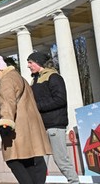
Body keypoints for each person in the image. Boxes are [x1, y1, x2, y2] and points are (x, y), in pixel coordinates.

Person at [0, 54, 52, 184]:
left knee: (13, 160)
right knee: (31, 161)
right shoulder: (18, 77)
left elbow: (7, 102)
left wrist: (5, 123)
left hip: (17, 129)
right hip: (29, 127)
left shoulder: (6, 81)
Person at [28, 51, 80, 184]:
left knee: (61, 160)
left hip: (55, 126)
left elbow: (60, 99)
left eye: (30, 62)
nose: (28, 65)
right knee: (40, 161)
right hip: (41, 126)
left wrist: (37, 106)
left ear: (38, 62)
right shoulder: (34, 80)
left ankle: (74, 182)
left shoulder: (54, 77)